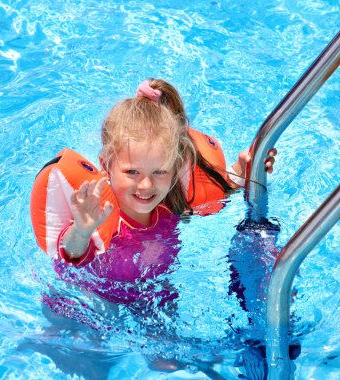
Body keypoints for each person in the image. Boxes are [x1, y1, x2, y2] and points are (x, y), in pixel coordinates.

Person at [53, 79, 276, 305]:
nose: (146, 186)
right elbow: (72, 254)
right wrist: (82, 230)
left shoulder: (168, 200)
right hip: (89, 303)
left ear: (175, 168)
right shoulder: (100, 213)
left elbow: (210, 197)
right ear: (106, 164)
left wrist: (244, 171)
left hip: (155, 296)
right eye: (132, 172)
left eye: (159, 172)